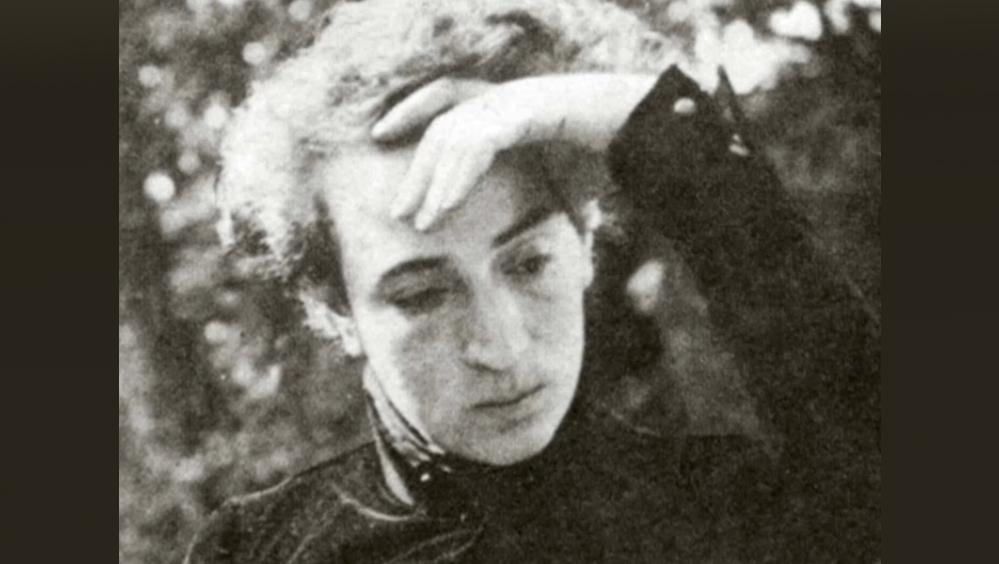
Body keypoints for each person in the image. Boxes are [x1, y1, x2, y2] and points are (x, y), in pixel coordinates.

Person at [186, 0, 880, 562]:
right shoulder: (254, 551)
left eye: (527, 263)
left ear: (583, 243)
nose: (502, 347)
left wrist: (638, 119)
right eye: (421, 295)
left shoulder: (735, 508)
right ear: (338, 312)